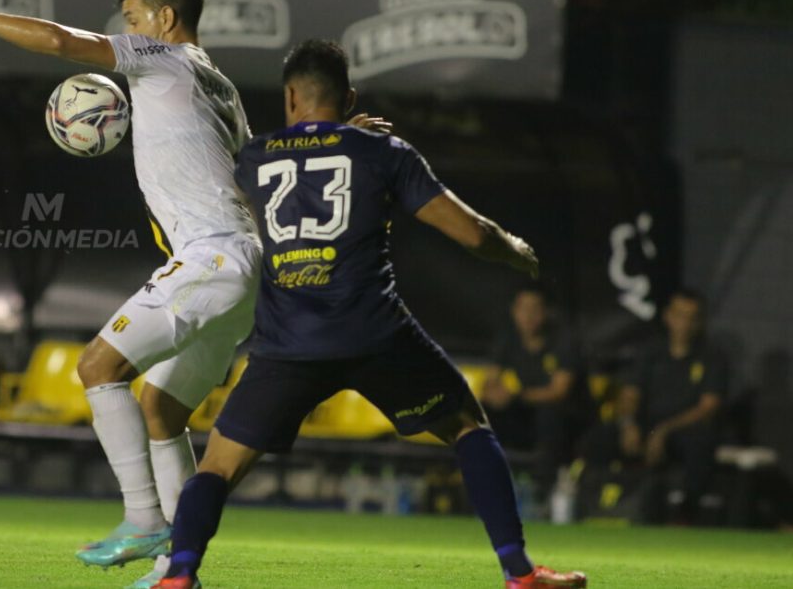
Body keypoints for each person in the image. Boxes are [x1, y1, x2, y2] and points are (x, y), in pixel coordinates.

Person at [153, 40, 587, 589]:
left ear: (290, 96)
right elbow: (472, 234)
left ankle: (179, 575)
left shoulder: (255, 157)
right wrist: (516, 251)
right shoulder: (384, 152)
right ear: (349, 95)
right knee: (469, 429)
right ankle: (520, 574)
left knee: (215, 467)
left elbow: (280, 181)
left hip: (289, 344)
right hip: (375, 335)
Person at [0, 0, 262, 587]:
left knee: (98, 369)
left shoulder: (163, 57)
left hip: (212, 256)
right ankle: (175, 570)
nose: (127, 32)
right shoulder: (220, 85)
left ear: (163, 20)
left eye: (132, 20)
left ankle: (144, 520)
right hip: (242, 266)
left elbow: (58, 41)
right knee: (160, 408)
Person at [582, 288, 727, 524]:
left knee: (701, 441)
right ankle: (595, 505)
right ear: (668, 316)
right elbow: (629, 394)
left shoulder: (712, 356)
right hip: (644, 427)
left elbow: (708, 407)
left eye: (692, 317)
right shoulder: (650, 352)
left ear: (700, 322)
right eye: (680, 315)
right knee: (600, 437)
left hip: (682, 430)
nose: (685, 323)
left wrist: (664, 431)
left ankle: (685, 515)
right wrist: (628, 424)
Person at [481, 285, 582, 497]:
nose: (528, 316)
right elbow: (490, 382)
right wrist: (494, 394)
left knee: (549, 414)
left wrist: (515, 396)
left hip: (566, 421)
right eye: (522, 309)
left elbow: (558, 392)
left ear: (545, 312)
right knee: (482, 413)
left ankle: (543, 494)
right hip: (526, 416)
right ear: (514, 311)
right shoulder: (508, 340)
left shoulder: (564, 341)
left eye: (534, 309)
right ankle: (481, 488)